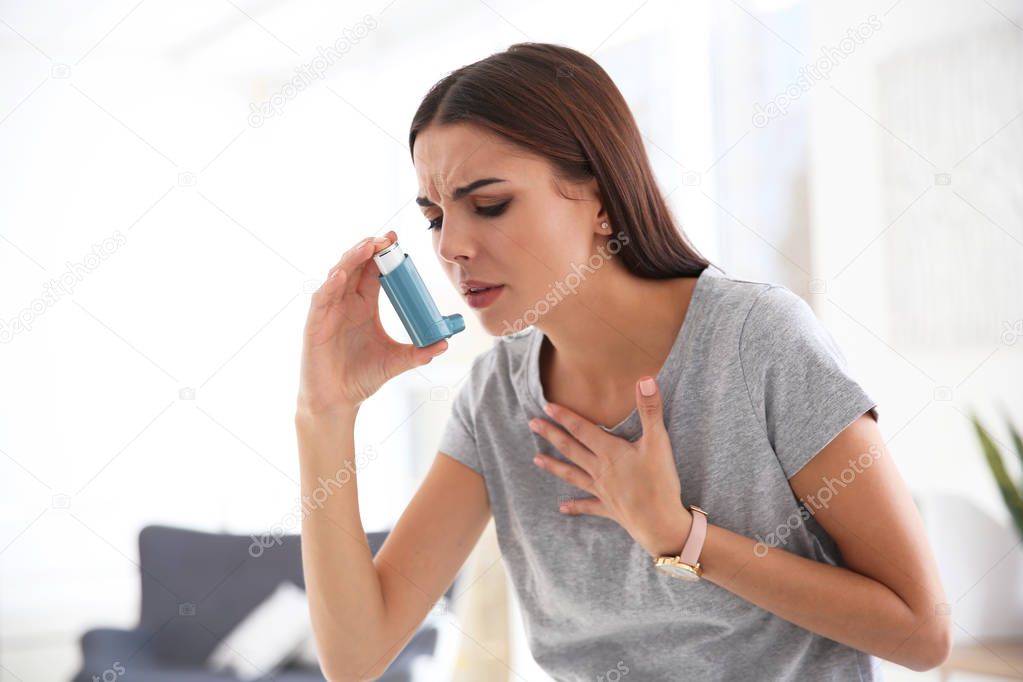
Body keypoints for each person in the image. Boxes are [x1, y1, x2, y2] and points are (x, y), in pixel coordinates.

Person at [295, 42, 951, 681]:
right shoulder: (496, 396)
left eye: (489, 204)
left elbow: (921, 632)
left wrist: (680, 537)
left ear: (603, 201)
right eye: (434, 218)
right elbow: (356, 658)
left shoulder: (755, 341)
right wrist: (324, 415)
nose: (453, 247)